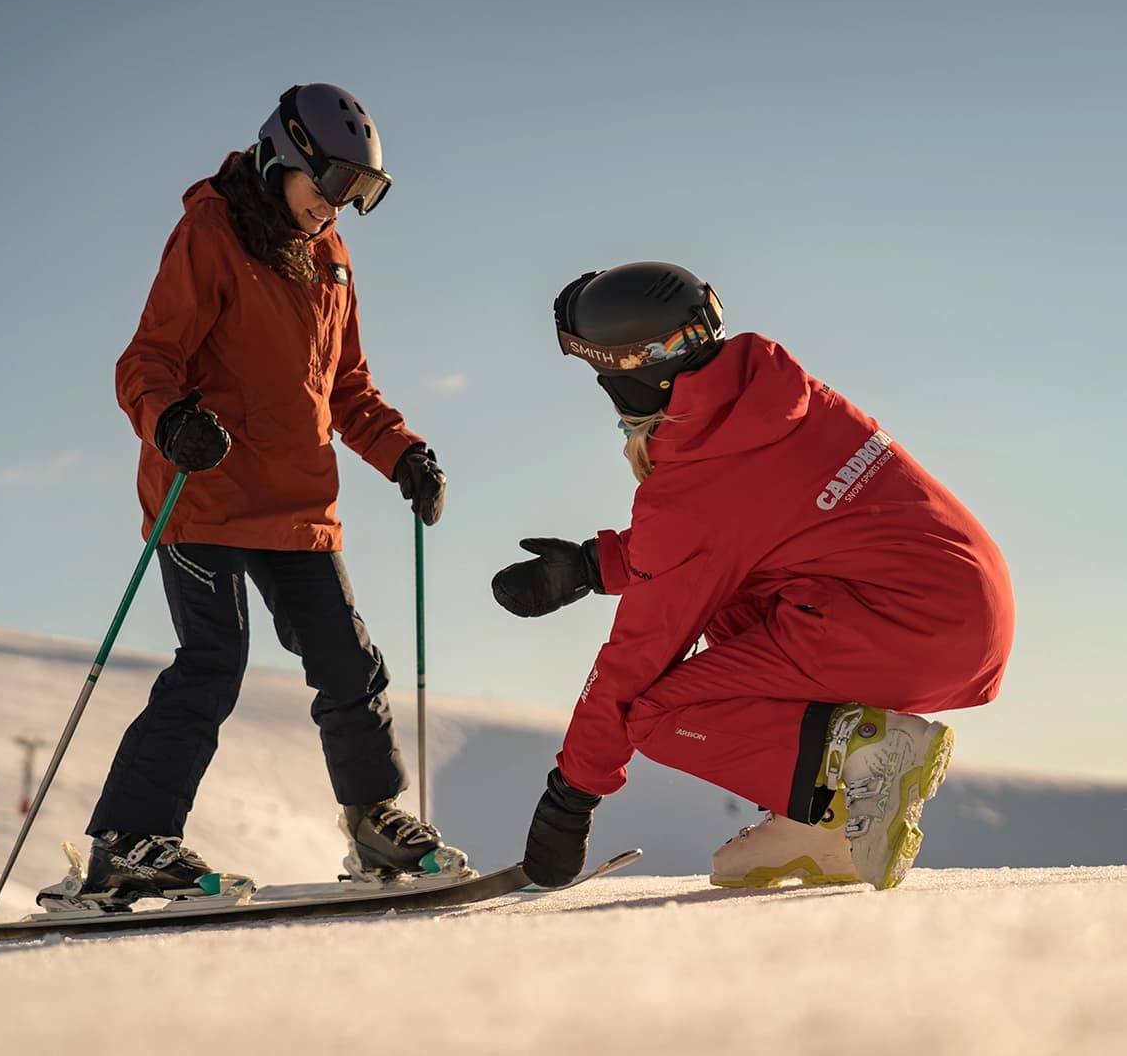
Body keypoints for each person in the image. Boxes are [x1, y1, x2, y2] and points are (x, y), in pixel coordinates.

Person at [64, 83, 466, 908]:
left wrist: (403, 454)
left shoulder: (332, 260)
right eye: (329, 189)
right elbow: (145, 361)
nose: (336, 211)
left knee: (349, 662)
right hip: (204, 493)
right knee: (213, 664)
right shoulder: (210, 232)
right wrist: (171, 420)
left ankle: (371, 821)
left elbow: (347, 389)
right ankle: (127, 845)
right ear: (282, 158)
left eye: (357, 197)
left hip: (299, 505)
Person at [492, 261, 1014, 891]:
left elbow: (635, 660)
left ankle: (864, 750)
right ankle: (821, 827)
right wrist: (590, 566)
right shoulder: (767, 402)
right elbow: (737, 537)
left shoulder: (699, 483)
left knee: (652, 713)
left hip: (903, 628)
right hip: (952, 607)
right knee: (730, 606)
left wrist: (570, 798)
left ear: (636, 375)